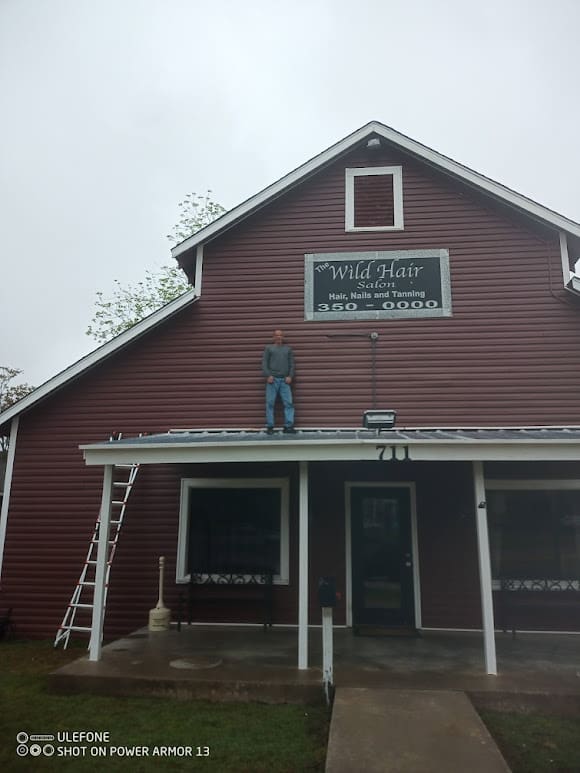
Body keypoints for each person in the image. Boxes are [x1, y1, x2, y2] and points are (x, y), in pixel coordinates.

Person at [262, 329, 295, 434]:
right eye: (276, 335)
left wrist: (290, 376)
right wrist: (268, 375)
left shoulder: (287, 349)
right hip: (272, 380)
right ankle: (270, 426)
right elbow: (264, 363)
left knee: (288, 403)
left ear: (283, 337)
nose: (279, 337)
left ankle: (288, 426)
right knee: (270, 403)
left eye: (280, 335)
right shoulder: (269, 348)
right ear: (273, 337)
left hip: (285, 380)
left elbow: (292, 364)